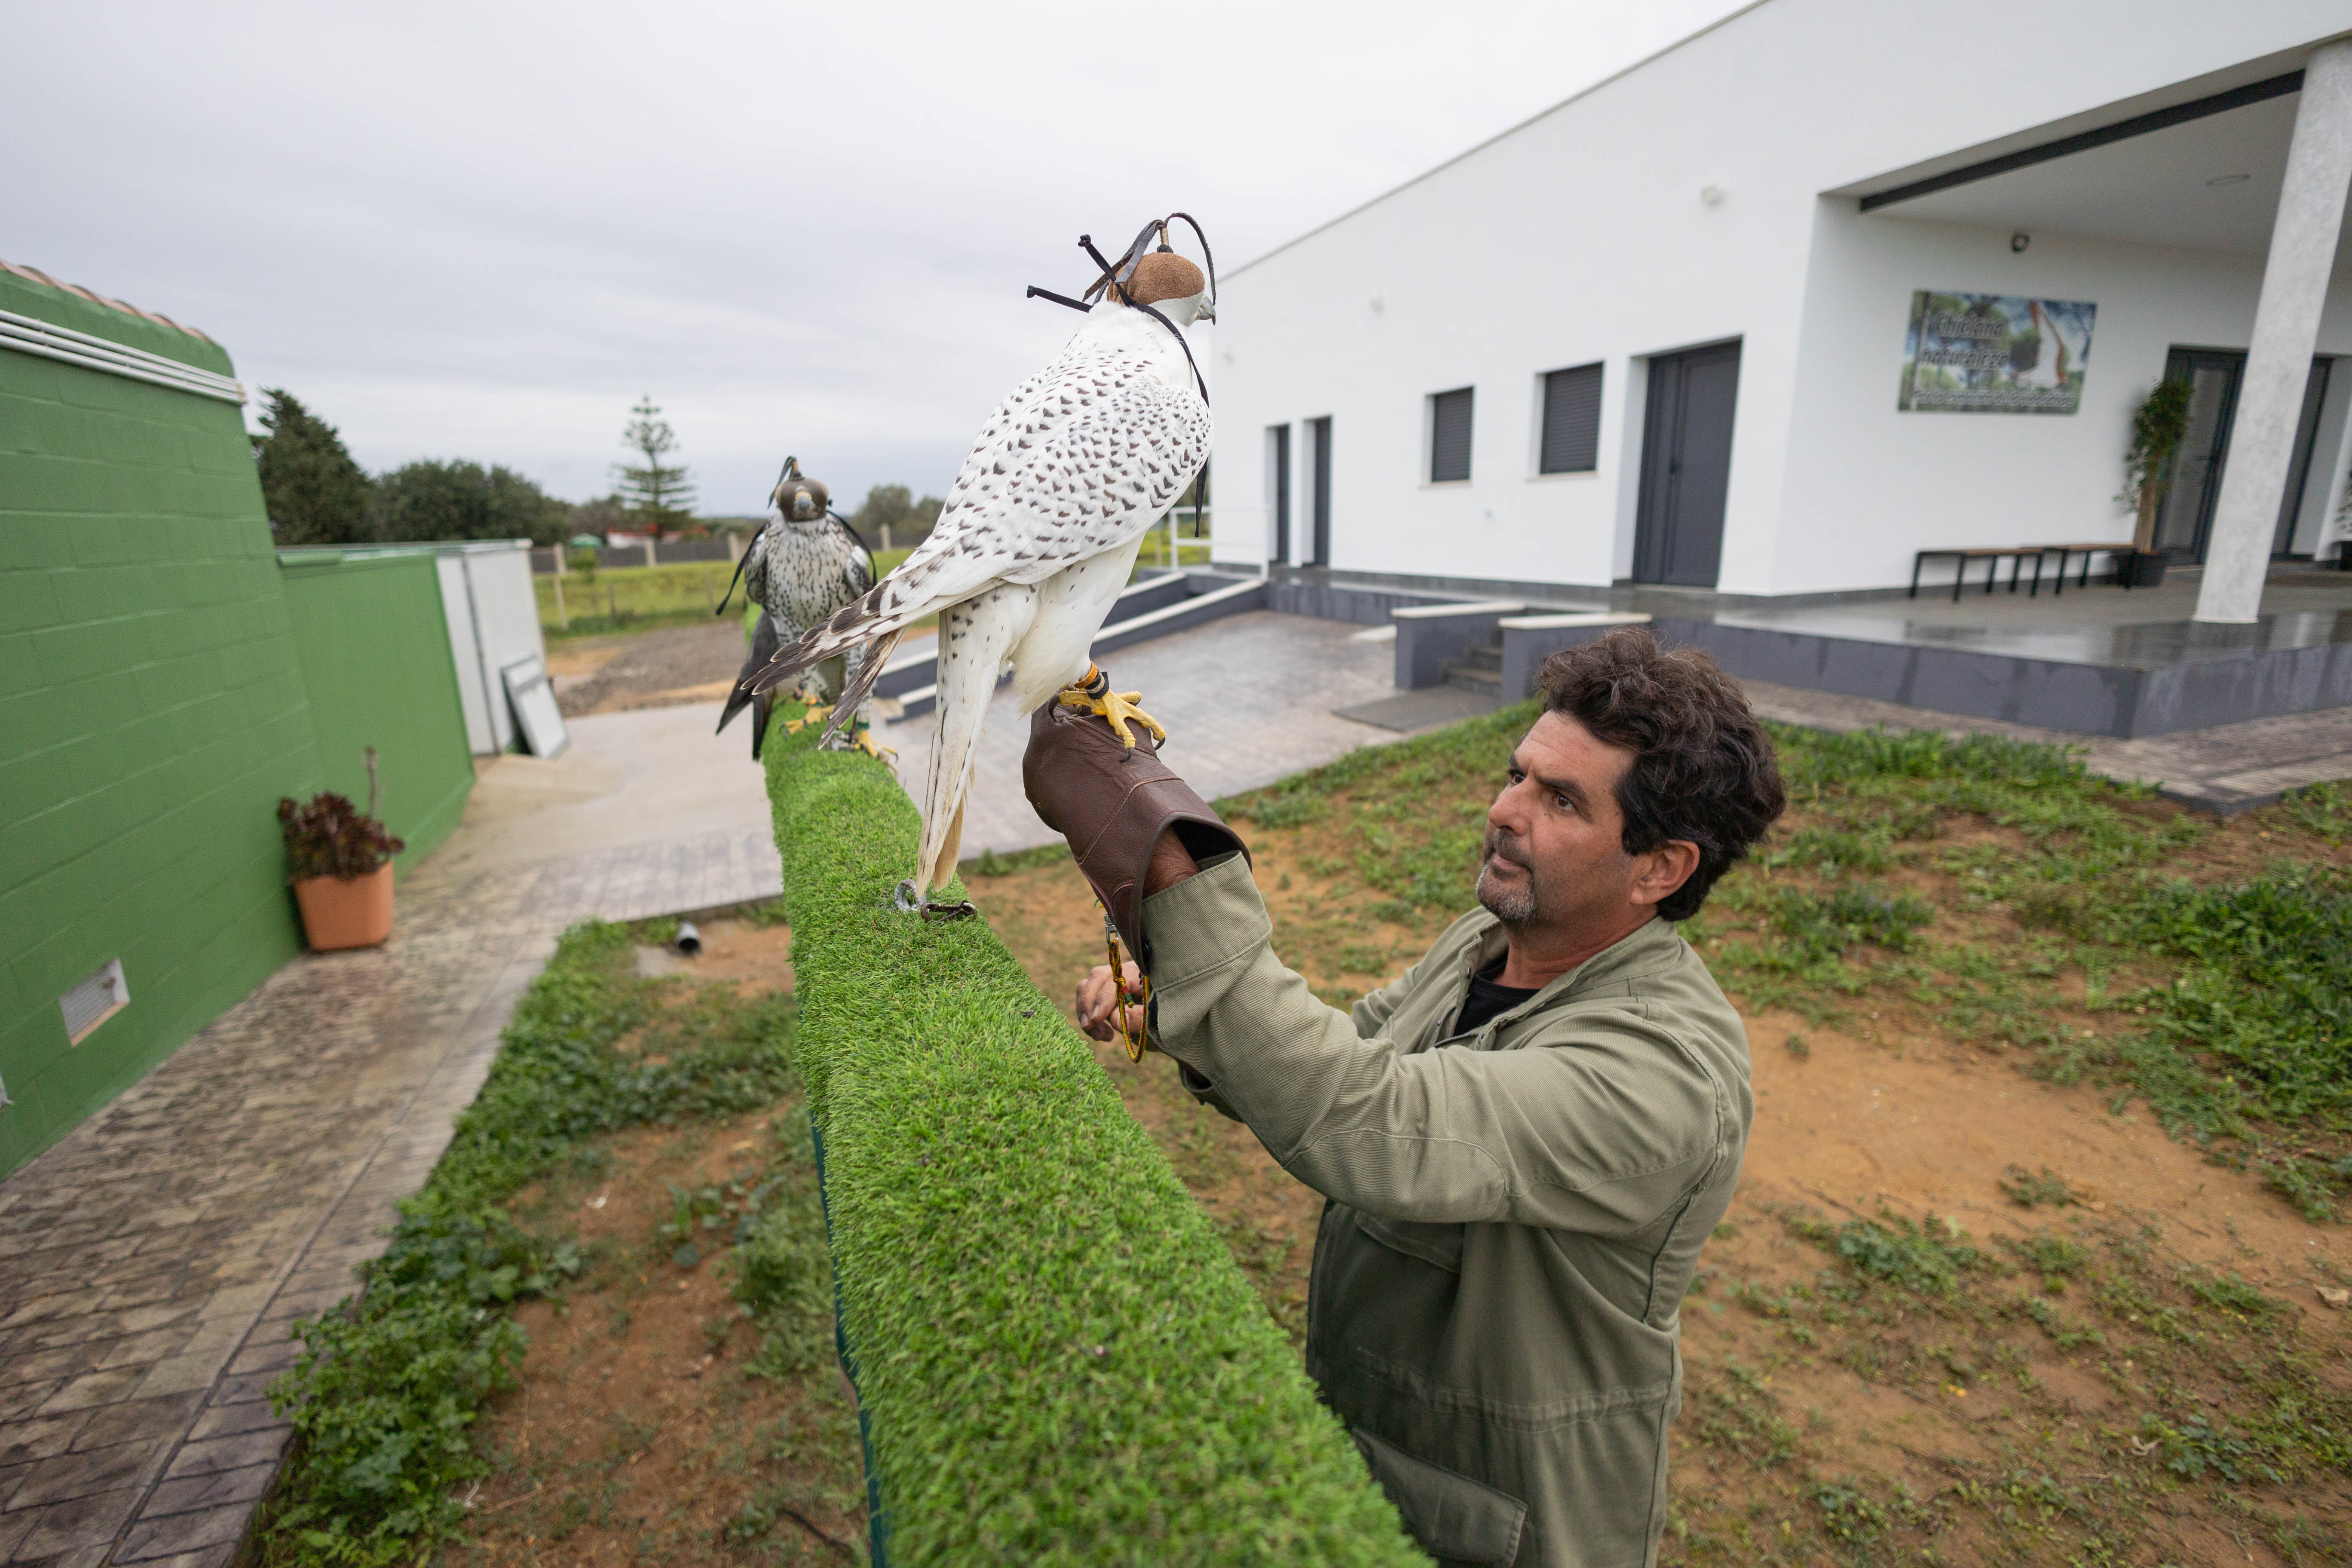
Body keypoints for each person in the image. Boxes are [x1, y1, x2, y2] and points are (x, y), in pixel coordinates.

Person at [1022, 627, 1785, 1568]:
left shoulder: (1664, 1075)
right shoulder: (1490, 942)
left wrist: (1160, 838)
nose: (1505, 810)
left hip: (1505, 1522)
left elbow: (1364, 1116)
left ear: (1661, 868)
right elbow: (1341, 1052)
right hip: (1376, 1458)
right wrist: (1187, 1003)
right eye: (1517, 773)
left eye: (1559, 801)